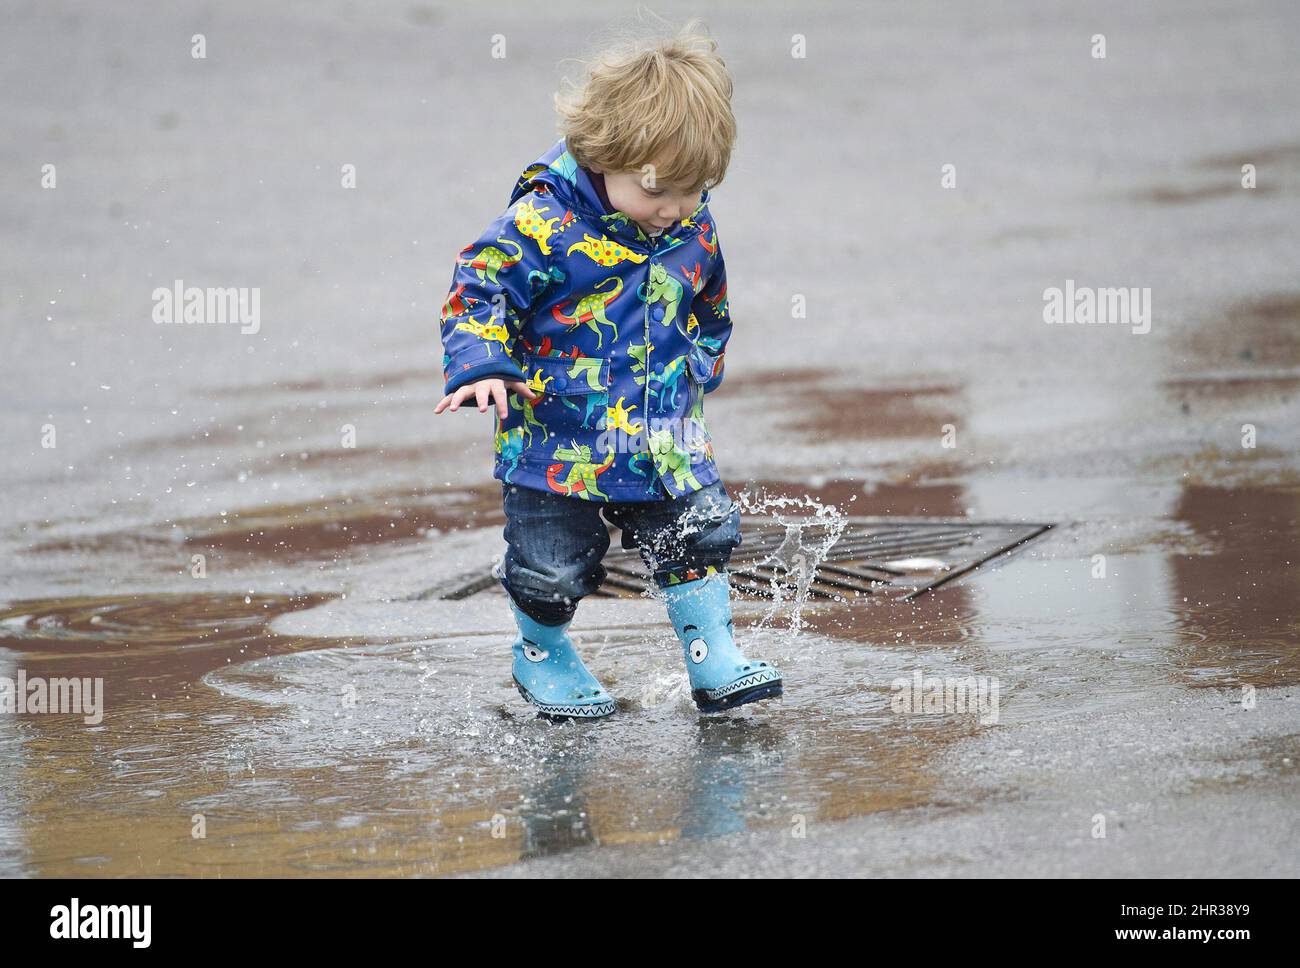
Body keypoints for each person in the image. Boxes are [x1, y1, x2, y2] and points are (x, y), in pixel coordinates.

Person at [434, 18, 781, 720]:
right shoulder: (545, 222)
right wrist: (480, 364)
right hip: (558, 442)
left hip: (664, 434)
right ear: (603, 156)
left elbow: (708, 301)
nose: (675, 210)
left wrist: (701, 364)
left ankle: (713, 655)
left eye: (694, 190)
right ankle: (543, 655)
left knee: (700, 529)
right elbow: (479, 286)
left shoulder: (688, 223)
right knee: (552, 565)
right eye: (660, 192)